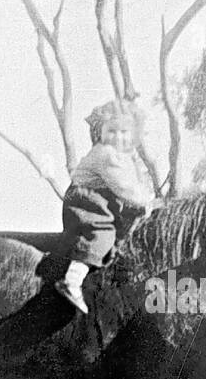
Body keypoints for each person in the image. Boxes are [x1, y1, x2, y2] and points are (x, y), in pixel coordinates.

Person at [56, 100, 156, 313]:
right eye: (111, 130)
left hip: (103, 202)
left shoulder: (125, 158)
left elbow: (133, 184)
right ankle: (72, 280)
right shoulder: (105, 153)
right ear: (99, 132)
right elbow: (125, 187)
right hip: (86, 201)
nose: (117, 137)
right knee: (101, 235)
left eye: (124, 132)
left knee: (120, 232)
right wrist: (146, 201)